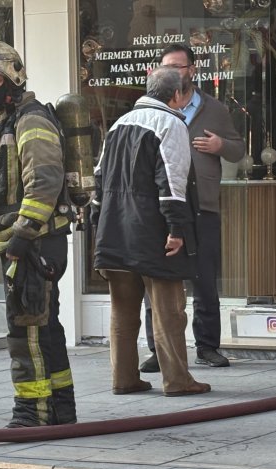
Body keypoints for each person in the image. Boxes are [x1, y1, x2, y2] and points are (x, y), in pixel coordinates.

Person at [0, 41, 77, 427]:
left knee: (26, 331)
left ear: (13, 79)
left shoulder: (31, 121)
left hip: (35, 244)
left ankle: (33, 412)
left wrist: (21, 236)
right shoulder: (6, 124)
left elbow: (44, 182)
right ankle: (61, 410)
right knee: (44, 328)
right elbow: (8, 186)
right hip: (28, 243)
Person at [92, 67, 210, 398]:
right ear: (177, 95)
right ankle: (178, 381)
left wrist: (98, 226)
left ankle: (124, 378)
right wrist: (177, 228)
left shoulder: (118, 125)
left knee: (122, 312)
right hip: (152, 232)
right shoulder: (171, 123)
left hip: (114, 230)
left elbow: (99, 179)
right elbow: (171, 183)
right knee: (168, 311)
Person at [140, 43, 246, 372]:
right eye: (168, 67)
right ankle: (159, 351)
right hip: (162, 209)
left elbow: (238, 150)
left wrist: (220, 145)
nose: (174, 73)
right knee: (158, 282)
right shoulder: (150, 110)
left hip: (205, 207)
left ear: (193, 69)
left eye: (180, 67)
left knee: (204, 280)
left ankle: (208, 347)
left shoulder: (215, 109)